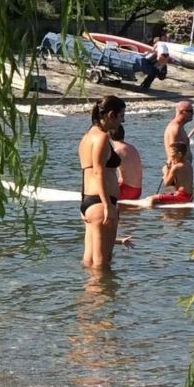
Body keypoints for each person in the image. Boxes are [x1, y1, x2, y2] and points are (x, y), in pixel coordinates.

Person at [77, 96, 126, 271]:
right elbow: (98, 171)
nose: (123, 120)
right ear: (111, 114)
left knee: (89, 263)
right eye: (121, 116)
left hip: (89, 202)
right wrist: (107, 206)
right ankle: (101, 298)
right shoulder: (102, 137)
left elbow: (87, 172)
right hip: (100, 203)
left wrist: (84, 205)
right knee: (102, 266)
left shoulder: (87, 137)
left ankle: (89, 298)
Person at [162, 99, 194, 199]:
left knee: (181, 209)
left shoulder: (180, 127)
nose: (193, 114)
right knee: (175, 211)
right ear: (181, 112)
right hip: (176, 174)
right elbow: (174, 152)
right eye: (190, 111)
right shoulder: (175, 129)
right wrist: (169, 173)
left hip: (181, 172)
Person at [110, 119, 144, 202]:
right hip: (138, 190)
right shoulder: (132, 148)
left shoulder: (117, 151)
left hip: (125, 191)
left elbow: (107, 173)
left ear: (109, 135)